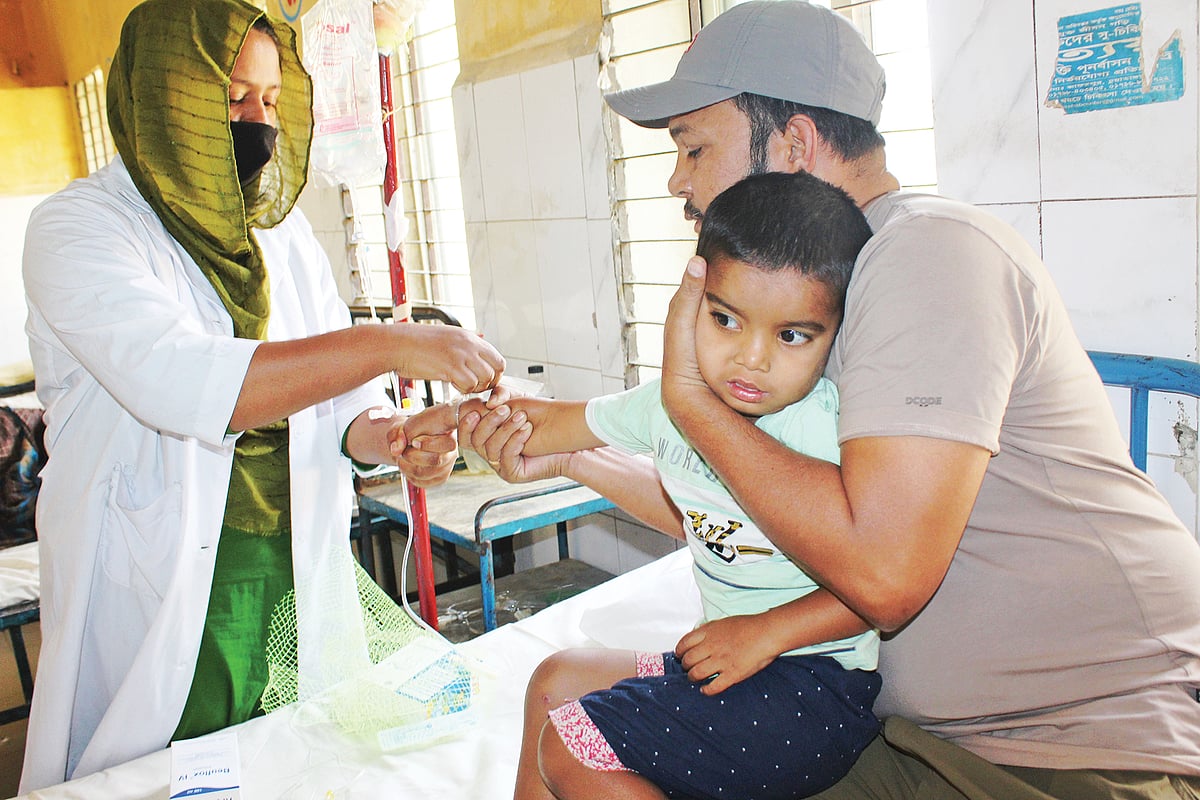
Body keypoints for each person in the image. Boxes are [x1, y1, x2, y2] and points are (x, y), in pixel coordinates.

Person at [460, 2, 1200, 797]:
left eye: (694, 149)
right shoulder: (810, 303)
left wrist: (690, 400)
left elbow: (881, 575)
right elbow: (741, 514)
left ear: (794, 145)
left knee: (585, 750)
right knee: (560, 692)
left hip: (1066, 749)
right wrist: (573, 454)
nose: (678, 181)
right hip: (910, 729)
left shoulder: (925, 253)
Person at [18, 0, 504, 791]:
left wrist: (388, 433)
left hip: (288, 573)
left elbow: (338, 406)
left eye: (272, 103)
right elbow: (188, 383)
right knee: (158, 773)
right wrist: (392, 339)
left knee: (297, 768)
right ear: (162, 96)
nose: (258, 123)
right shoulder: (80, 230)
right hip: (161, 583)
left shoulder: (279, 234)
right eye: (232, 98)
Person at [444, 171, 879, 799]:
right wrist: (452, 421)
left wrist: (764, 632)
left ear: (834, 333)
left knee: (572, 745)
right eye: (726, 320)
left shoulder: (825, 426)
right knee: (555, 679)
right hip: (730, 668)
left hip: (811, 687)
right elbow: (552, 424)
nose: (751, 359)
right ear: (691, 302)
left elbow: (880, 587)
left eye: (790, 335)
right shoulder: (670, 403)